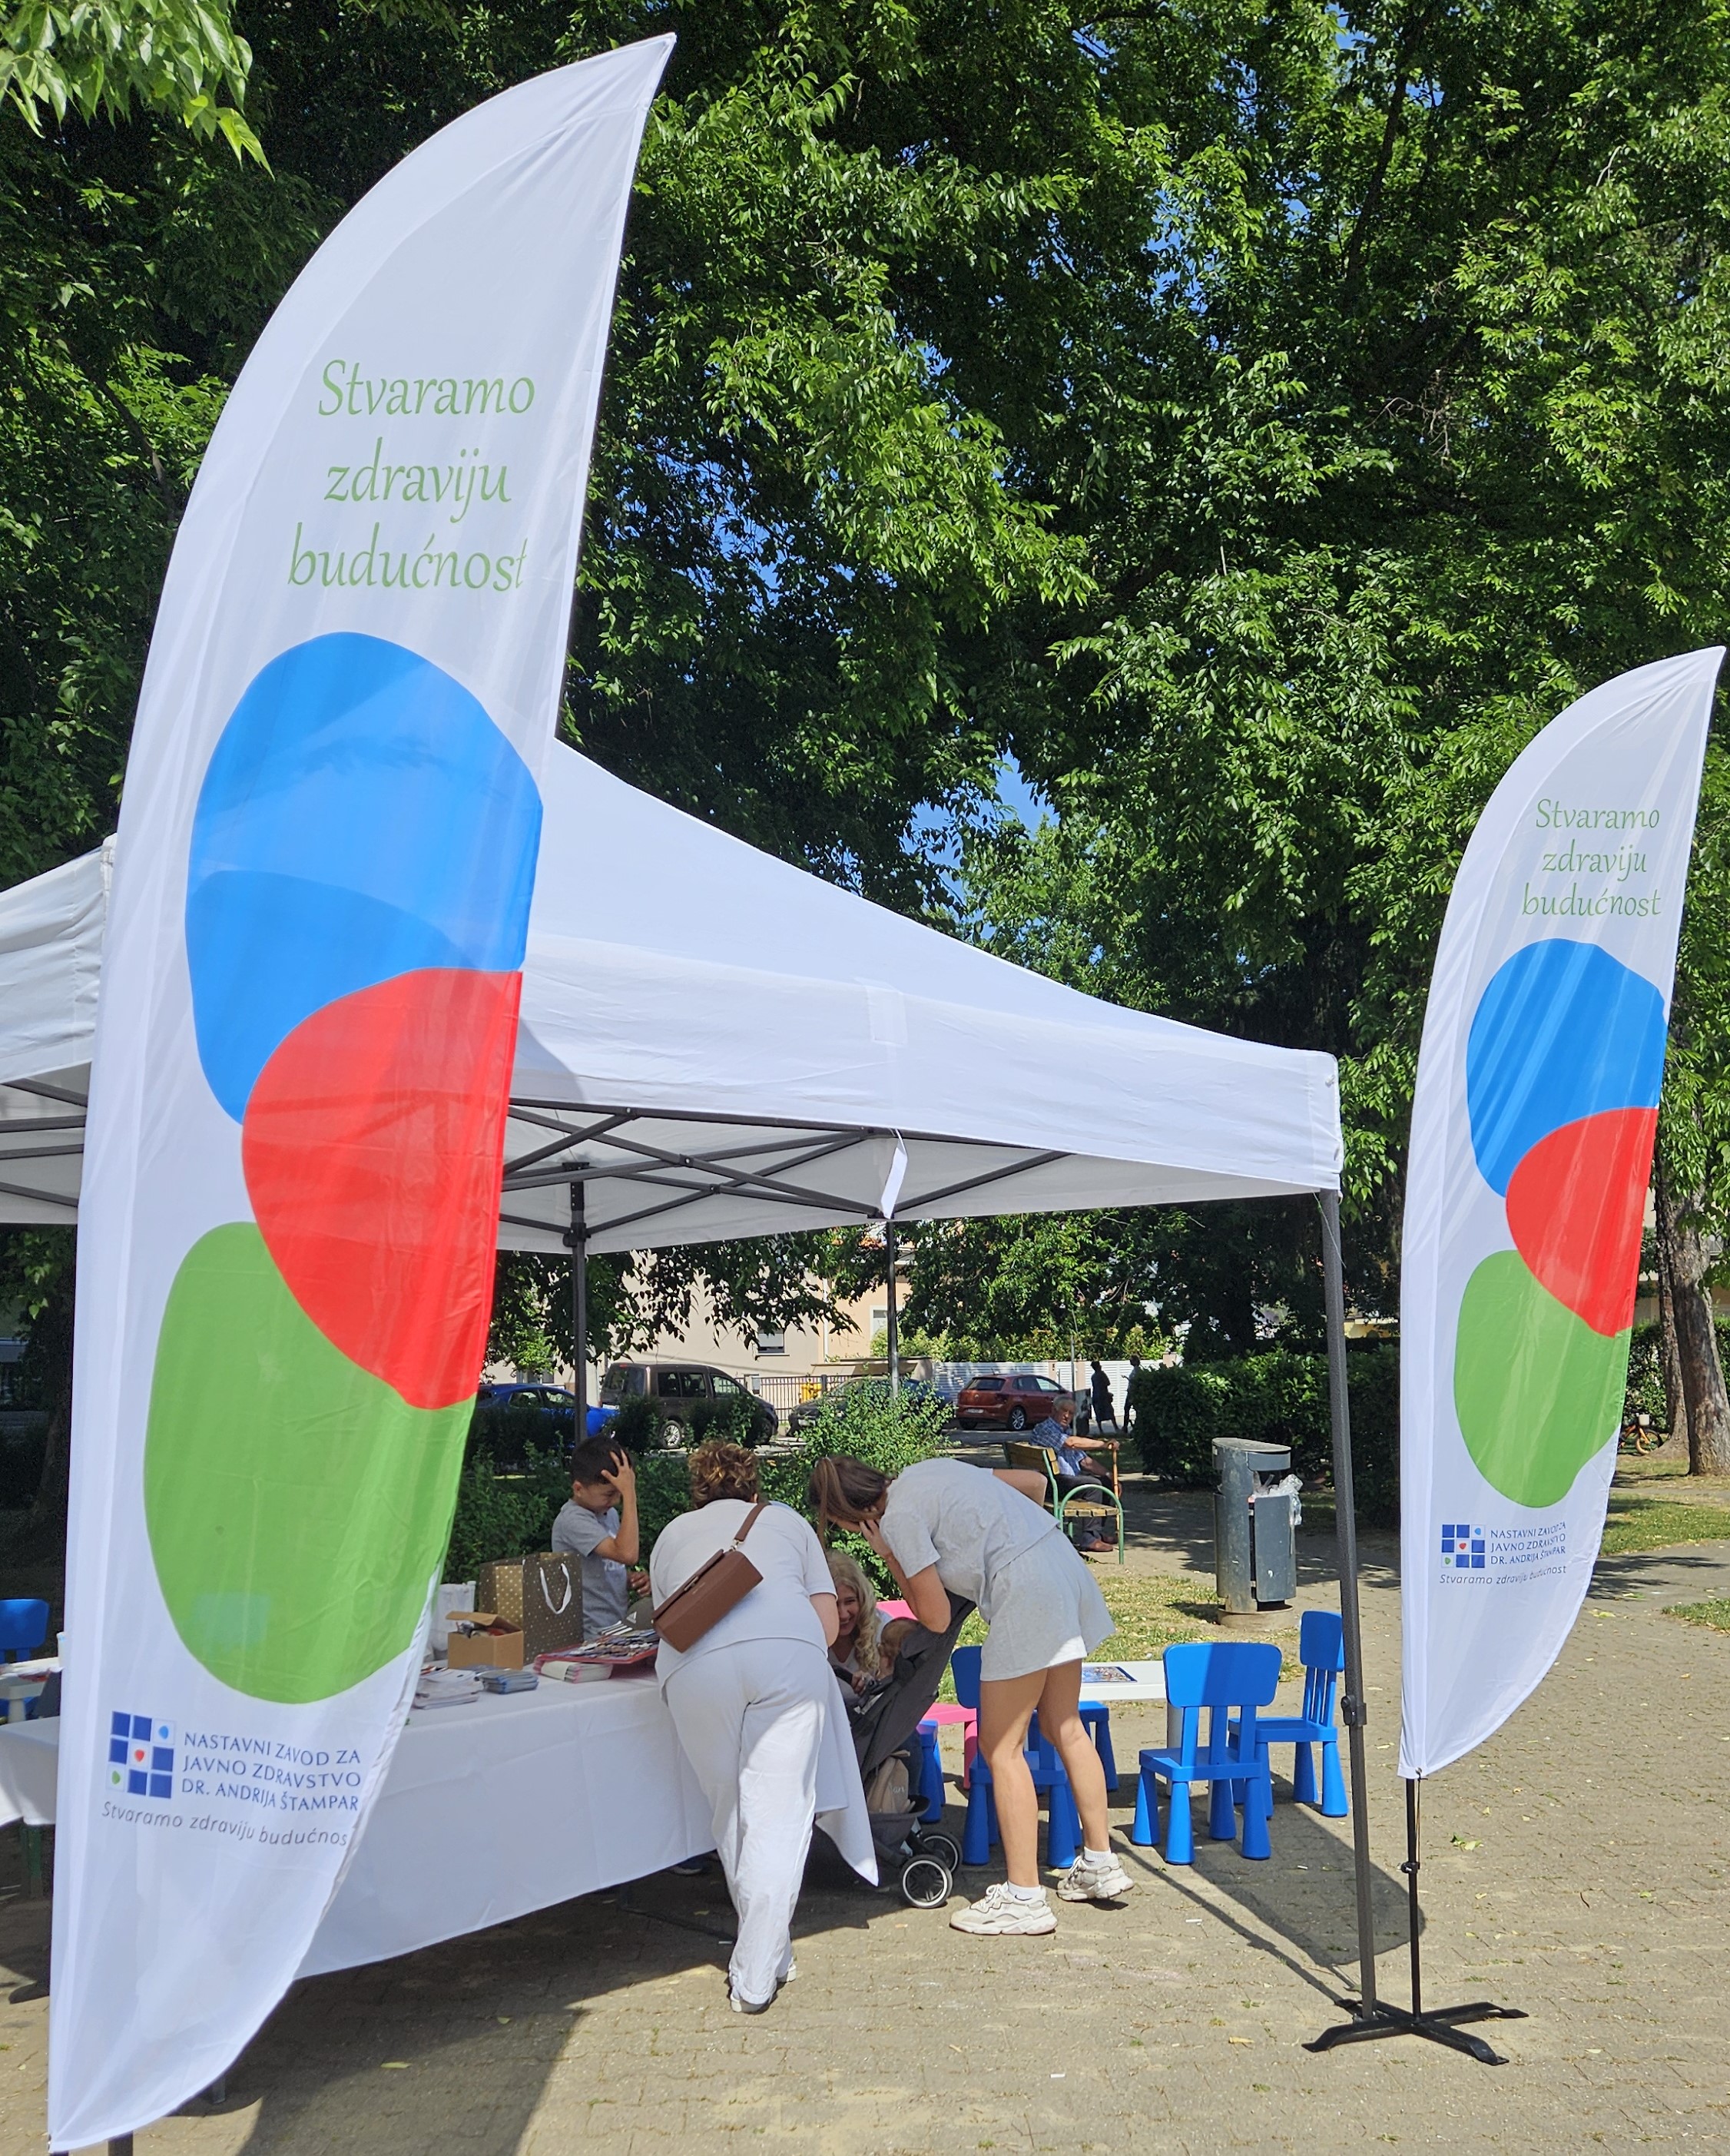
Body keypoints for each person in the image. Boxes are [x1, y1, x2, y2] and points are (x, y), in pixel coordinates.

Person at [808, 1454, 1133, 1936]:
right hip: (1063, 1567)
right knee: (1064, 1726)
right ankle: (1100, 1864)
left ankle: (1024, 1897)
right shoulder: (927, 1470)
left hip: (1024, 1591)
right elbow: (1033, 1484)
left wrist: (891, 1555)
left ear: (850, 1514)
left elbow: (935, 1618)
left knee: (1001, 1749)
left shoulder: (898, 1520)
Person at [651, 1444, 873, 2012]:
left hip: (696, 1669)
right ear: (754, 1488)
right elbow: (828, 1627)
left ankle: (770, 1951)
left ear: (697, 1492)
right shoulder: (787, 1522)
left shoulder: (671, 1535)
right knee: (779, 1816)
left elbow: (668, 1620)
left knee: (731, 1812)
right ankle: (755, 1972)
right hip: (786, 1660)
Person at [552, 1439, 647, 1635]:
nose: (616, 1500)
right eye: (609, 1494)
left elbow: (605, 1567)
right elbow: (628, 1554)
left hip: (614, 1626)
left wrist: (629, 1579)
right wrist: (630, 1495)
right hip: (588, 1633)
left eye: (620, 1493)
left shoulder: (608, 1514)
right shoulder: (572, 1520)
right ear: (579, 1489)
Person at [824, 1549, 914, 1693]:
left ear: (862, 1599)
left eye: (850, 1601)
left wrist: (876, 1685)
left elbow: (901, 1687)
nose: (843, 1614)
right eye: (834, 1604)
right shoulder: (805, 1635)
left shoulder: (884, 1629)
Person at [1031, 1417, 1117, 1555]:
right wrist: (1103, 1444)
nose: (1067, 1416)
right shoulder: (1045, 1429)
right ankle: (1089, 1538)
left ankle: (1096, 1533)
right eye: (1064, 1411)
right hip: (1052, 1483)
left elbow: (1085, 1461)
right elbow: (1071, 1443)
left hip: (1066, 1481)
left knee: (1105, 1483)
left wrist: (1108, 1474)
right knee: (1093, 1485)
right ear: (1054, 1411)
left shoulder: (1066, 1432)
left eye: (1071, 1413)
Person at [1089, 1360, 1118, 1435]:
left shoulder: (1093, 1377)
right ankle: (1116, 1427)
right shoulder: (1102, 1374)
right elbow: (1108, 1383)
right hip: (1103, 1396)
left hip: (1096, 1396)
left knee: (1098, 1413)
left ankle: (1101, 1430)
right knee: (1110, 1412)